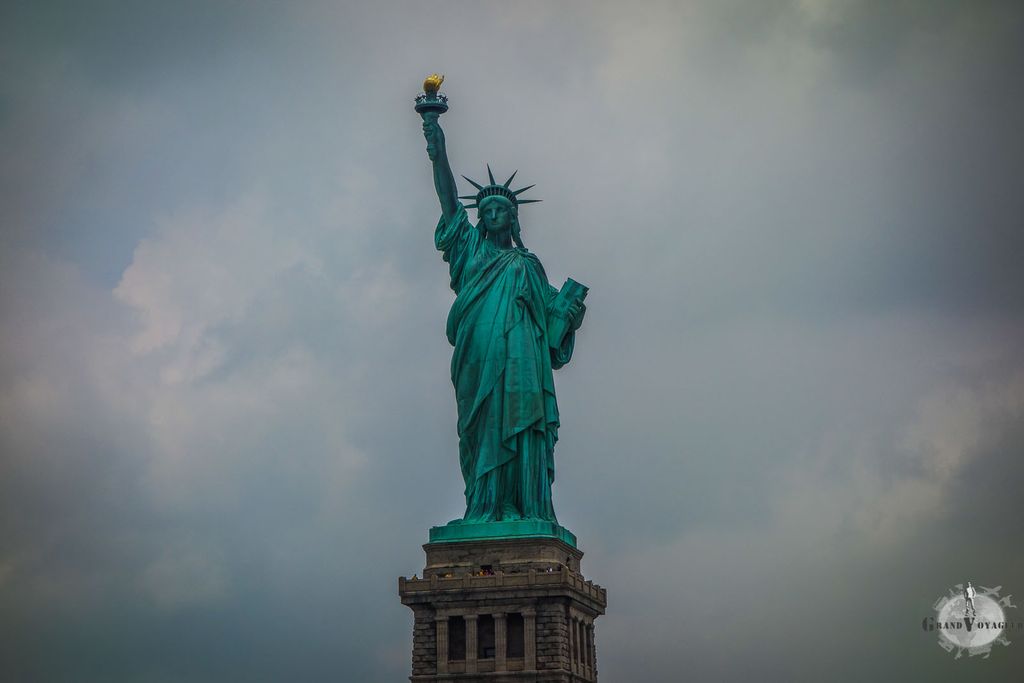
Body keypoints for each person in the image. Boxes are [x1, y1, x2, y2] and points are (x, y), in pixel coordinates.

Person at [422, 113, 585, 524]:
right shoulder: (468, 249)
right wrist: (437, 145)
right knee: (481, 427)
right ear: (479, 218)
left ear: (513, 218)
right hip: (478, 353)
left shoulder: (528, 265)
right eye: (487, 209)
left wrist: (570, 313)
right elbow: (447, 198)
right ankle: (484, 504)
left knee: (523, 424)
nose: (493, 214)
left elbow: (553, 330)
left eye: (501, 209)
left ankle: (522, 505)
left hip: (524, 361)